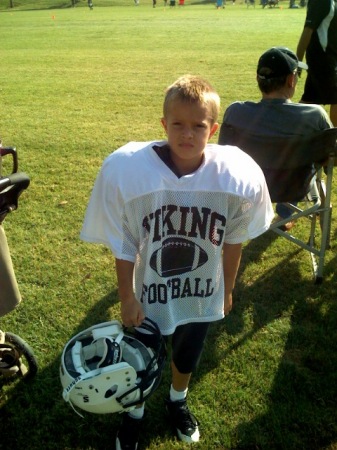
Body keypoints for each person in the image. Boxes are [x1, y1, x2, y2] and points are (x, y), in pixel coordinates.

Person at [80, 74, 273, 450]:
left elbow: (234, 240)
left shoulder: (232, 176)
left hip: (201, 290)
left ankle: (177, 399)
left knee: (187, 351)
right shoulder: (131, 170)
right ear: (163, 124)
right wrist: (126, 297)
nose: (187, 134)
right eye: (178, 124)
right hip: (148, 288)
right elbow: (124, 243)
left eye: (198, 126)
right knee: (139, 353)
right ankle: (134, 410)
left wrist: (228, 287)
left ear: (213, 129)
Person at [219, 47, 333, 230]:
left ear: (258, 79)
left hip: (248, 188)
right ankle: (285, 212)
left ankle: (283, 213)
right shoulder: (314, 115)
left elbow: (225, 157)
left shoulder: (235, 113)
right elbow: (331, 162)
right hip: (296, 186)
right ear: (291, 79)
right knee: (299, 165)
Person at [296, 0, 337, 126]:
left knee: (309, 99)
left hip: (329, 58)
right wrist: (297, 61)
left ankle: (286, 127)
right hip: (322, 59)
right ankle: (334, 137)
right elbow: (308, 30)